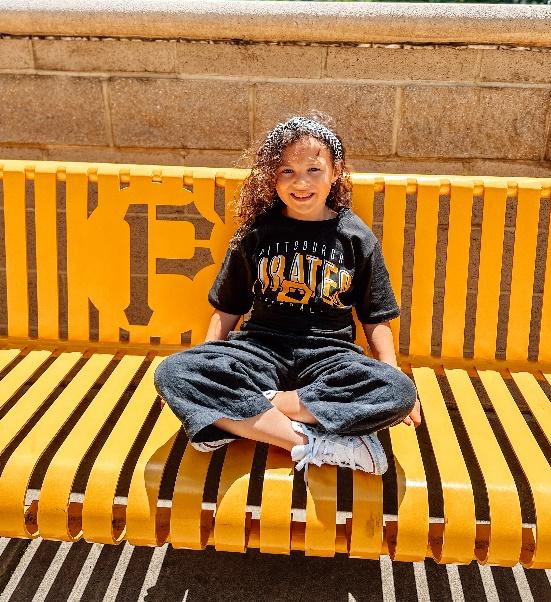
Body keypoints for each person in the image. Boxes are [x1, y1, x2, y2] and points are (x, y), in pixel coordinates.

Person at [154, 114, 421, 480]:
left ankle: (244, 414)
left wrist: (393, 376)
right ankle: (310, 441)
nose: (301, 182)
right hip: (259, 349)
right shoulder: (258, 233)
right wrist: (208, 359)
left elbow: (376, 318)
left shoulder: (355, 238)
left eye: (313, 169)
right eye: (287, 171)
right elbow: (228, 309)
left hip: (329, 357)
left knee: (398, 390)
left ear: (336, 171)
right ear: (272, 177)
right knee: (175, 372)